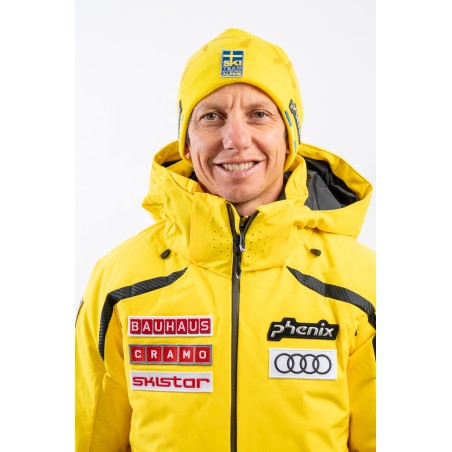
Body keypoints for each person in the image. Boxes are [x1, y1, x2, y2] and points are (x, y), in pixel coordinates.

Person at [75, 28, 376, 452]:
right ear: (186, 141)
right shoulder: (118, 282)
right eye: (211, 117)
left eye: (259, 114)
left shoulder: (363, 285)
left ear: (289, 137)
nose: (235, 139)